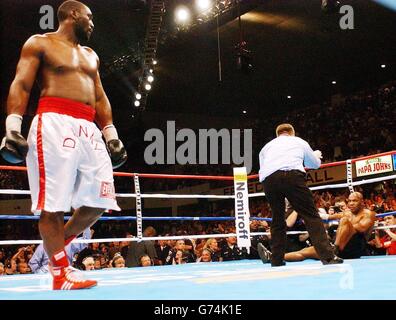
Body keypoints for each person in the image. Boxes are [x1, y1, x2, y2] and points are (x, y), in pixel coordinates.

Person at [0, 0, 127, 290]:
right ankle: (60, 272)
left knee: (100, 200)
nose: (93, 24)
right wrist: (12, 128)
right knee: (52, 206)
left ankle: (57, 244)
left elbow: (100, 97)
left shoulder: (91, 55)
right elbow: (21, 84)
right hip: (54, 122)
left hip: (89, 128)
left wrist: (111, 135)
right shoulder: (40, 43)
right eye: (90, 17)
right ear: (72, 14)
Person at [258, 123, 342, 266]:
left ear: (278, 134)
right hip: (291, 175)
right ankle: (328, 257)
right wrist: (316, 155)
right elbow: (315, 164)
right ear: (292, 133)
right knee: (311, 216)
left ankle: (276, 260)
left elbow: (263, 168)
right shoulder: (298, 141)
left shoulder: (266, 147)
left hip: (268, 181)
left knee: (277, 219)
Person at [258, 192, 376, 262]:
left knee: (344, 221)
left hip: (354, 248)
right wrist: (307, 213)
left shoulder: (368, 214)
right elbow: (326, 217)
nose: (350, 203)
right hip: (339, 249)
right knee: (305, 252)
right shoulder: (347, 213)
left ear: (361, 202)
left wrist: (344, 225)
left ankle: (334, 249)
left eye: (354, 201)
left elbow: (360, 229)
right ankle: (273, 257)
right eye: (349, 201)